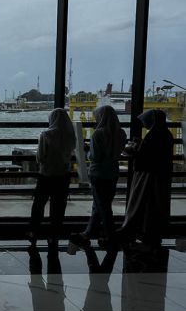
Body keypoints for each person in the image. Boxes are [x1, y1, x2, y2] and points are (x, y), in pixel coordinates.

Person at [71, 105, 127, 249]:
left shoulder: (98, 134)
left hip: (98, 173)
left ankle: (110, 235)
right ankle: (87, 233)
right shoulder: (121, 133)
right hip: (113, 173)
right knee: (101, 204)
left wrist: (87, 149)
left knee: (103, 206)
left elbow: (94, 157)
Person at [118, 109, 174, 249]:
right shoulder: (165, 134)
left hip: (148, 175)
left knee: (142, 201)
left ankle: (138, 229)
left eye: (145, 121)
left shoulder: (154, 136)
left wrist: (132, 148)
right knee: (155, 204)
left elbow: (144, 155)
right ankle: (151, 232)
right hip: (160, 175)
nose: (143, 124)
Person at [28, 108, 76, 248]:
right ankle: (53, 235)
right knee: (59, 206)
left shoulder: (46, 135)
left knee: (39, 204)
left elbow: (40, 157)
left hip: (47, 175)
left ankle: (34, 231)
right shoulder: (71, 135)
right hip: (63, 176)